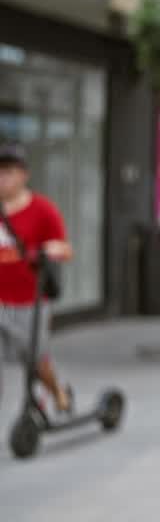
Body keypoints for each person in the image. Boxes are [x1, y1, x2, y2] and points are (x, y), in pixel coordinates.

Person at [0, 141, 74, 412]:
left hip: (31, 302)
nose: (3, 178)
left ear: (23, 175)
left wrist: (46, 249)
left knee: (36, 361)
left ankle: (57, 392)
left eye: (8, 171)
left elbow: (65, 249)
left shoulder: (42, 210)